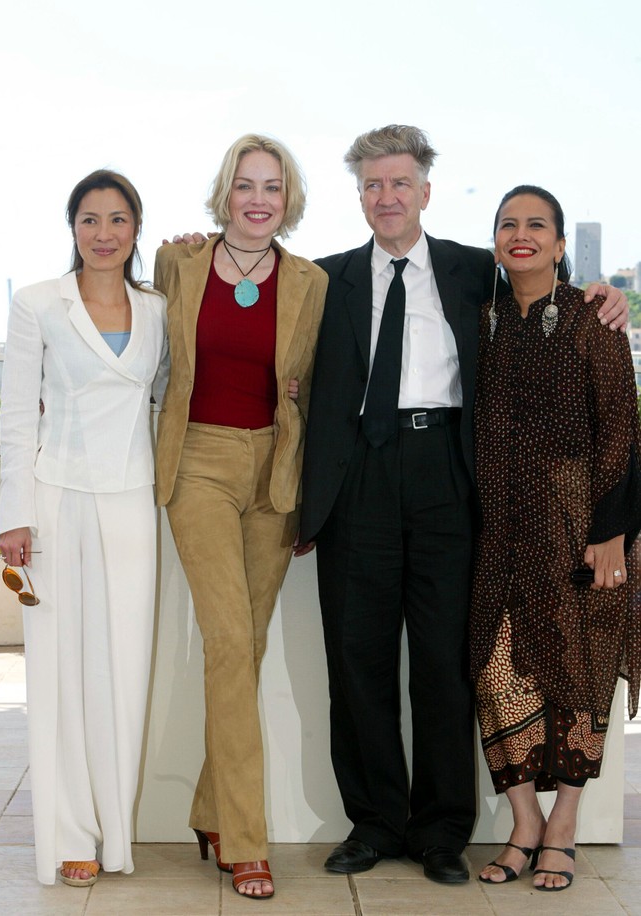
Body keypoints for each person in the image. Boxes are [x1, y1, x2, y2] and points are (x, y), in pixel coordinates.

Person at [296, 124, 629, 885]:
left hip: (448, 473)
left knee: (447, 663)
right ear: (359, 195)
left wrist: (606, 293)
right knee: (358, 661)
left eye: (400, 183)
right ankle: (373, 822)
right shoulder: (324, 280)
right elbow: (251, 301)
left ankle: (442, 830)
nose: (387, 196)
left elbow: (550, 287)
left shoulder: (474, 269)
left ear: (425, 192)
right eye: (373, 184)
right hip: (358, 480)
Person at [154, 134, 327, 899]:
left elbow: (318, 389)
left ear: (288, 200)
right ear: (224, 192)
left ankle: (208, 810)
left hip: (273, 474)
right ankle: (248, 842)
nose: (259, 199)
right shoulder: (178, 264)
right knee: (227, 642)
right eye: (246, 185)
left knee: (244, 651)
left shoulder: (312, 282)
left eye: (273, 187)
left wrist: (308, 496)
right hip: (197, 462)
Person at [0, 170, 168, 886]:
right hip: (56, 499)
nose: (104, 233)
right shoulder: (39, 302)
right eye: (90, 219)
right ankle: (69, 834)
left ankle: (115, 836)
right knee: (60, 670)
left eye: (118, 219)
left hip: (133, 500)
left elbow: (164, 400)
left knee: (124, 672)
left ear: (136, 229)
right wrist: (16, 517)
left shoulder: (159, 308)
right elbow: (18, 412)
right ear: (72, 227)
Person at [470, 185, 641, 891]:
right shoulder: (476, 318)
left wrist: (612, 533)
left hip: (576, 526)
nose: (522, 235)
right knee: (495, 671)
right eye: (508, 223)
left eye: (537, 225)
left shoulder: (591, 318)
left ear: (561, 243)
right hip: (496, 531)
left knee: (581, 670)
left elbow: (625, 428)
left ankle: (564, 823)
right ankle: (524, 822)